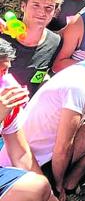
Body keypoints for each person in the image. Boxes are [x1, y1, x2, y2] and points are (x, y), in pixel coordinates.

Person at [0, 31, 85, 200]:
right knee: (40, 187)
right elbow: (63, 147)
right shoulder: (79, 84)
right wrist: (56, 186)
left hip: (31, 159)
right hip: (37, 160)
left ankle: (70, 183)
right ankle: (61, 184)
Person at [0, 38, 56, 201]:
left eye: (6, 71)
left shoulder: (7, 102)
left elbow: (22, 155)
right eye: (1, 71)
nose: (5, 78)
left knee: (39, 186)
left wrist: (49, 195)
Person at [0, 0, 62, 95]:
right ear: (23, 6)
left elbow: (45, 74)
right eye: (36, 5)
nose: (42, 12)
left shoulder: (55, 42)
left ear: (55, 12)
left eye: (49, 8)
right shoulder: (3, 33)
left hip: (26, 107)